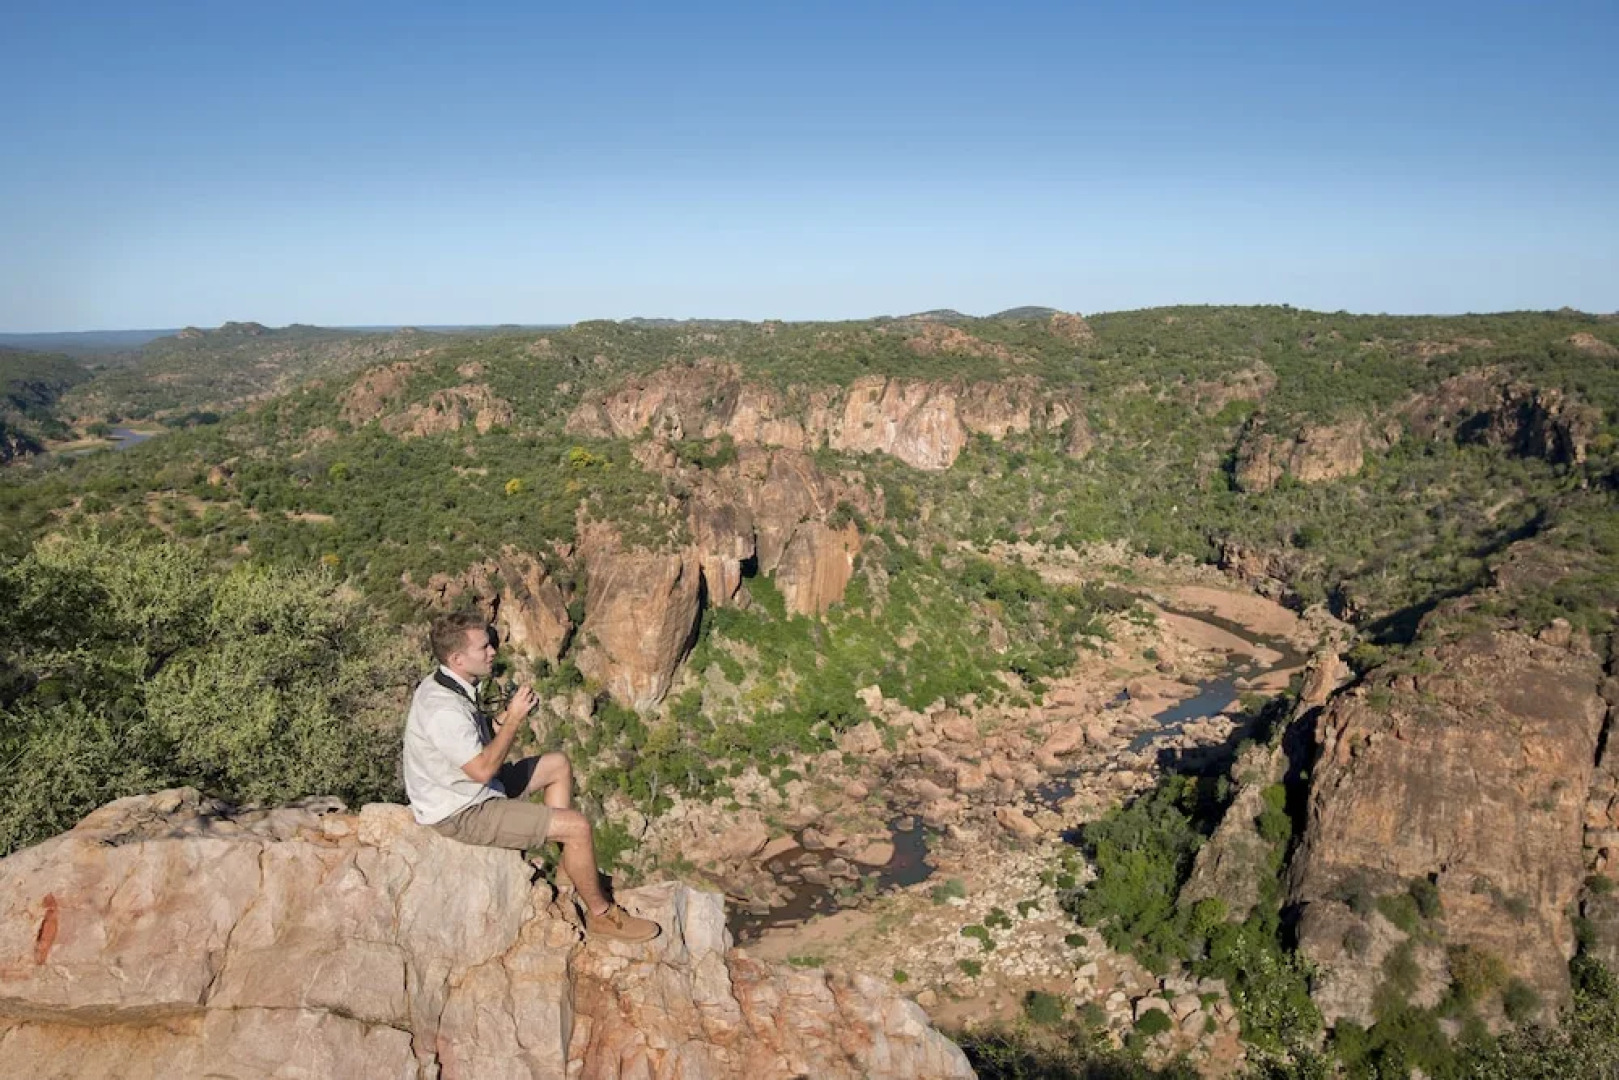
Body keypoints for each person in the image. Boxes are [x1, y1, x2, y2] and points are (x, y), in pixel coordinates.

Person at [402, 610, 659, 943]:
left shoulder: (450, 683)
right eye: (484, 647)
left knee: (558, 765)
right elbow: (482, 770)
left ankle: (568, 876)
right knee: (578, 826)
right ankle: (602, 916)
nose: (493, 650)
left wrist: (502, 719)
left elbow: (473, 741)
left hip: (466, 787)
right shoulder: (443, 709)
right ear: (458, 658)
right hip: (462, 809)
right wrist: (514, 721)